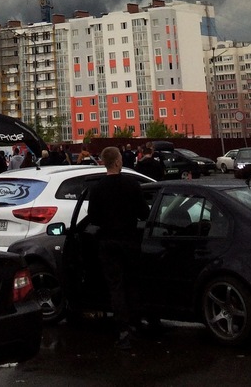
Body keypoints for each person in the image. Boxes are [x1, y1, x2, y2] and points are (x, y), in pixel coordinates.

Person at [87, 146, 151, 350]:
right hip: (129, 240)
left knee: (115, 286)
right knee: (132, 282)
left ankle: (122, 329)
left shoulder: (97, 188)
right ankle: (136, 322)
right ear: (116, 162)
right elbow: (144, 213)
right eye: (121, 159)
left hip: (107, 241)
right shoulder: (131, 184)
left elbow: (93, 217)